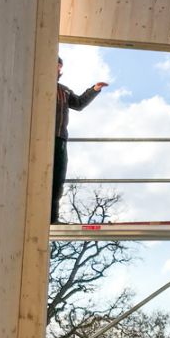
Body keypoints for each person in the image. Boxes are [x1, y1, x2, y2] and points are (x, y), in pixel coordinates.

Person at [51, 56, 109, 224]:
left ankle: (52, 218)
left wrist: (94, 89)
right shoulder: (39, 85)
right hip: (42, 137)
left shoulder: (64, 90)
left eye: (60, 67)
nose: (59, 69)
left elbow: (78, 104)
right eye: (56, 66)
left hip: (60, 139)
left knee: (57, 179)